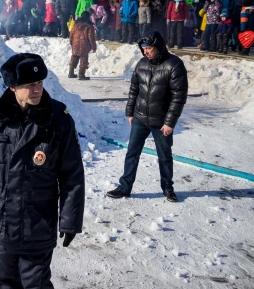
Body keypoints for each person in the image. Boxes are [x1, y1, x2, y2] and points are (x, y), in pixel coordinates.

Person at [0, 53, 85, 289]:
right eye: (29, 85)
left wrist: (70, 221)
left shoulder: (58, 120)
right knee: (6, 283)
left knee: (36, 284)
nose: (37, 89)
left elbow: (72, 176)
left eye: (39, 83)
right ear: (13, 87)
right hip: (0, 223)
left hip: (37, 225)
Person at [107, 32, 188, 202]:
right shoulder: (142, 64)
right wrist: (130, 112)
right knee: (132, 153)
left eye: (149, 48)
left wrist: (169, 122)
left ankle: (168, 188)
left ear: (158, 47)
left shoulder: (174, 65)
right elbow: (134, 90)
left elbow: (178, 97)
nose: (146, 52)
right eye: (143, 49)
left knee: (164, 156)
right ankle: (124, 187)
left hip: (161, 122)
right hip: (140, 119)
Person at [69, 11, 97, 80]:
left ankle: (71, 73)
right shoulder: (89, 26)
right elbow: (91, 37)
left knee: (74, 57)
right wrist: (94, 47)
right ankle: (81, 75)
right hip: (84, 45)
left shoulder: (76, 24)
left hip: (75, 44)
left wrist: (71, 43)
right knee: (83, 58)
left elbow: (71, 34)